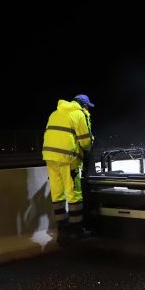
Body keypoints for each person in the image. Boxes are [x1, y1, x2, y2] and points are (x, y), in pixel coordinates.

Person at [42, 94, 94, 240]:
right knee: (74, 194)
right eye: (88, 106)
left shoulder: (55, 113)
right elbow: (85, 142)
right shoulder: (78, 114)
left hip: (50, 157)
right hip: (67, 158)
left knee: (57, 194)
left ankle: (62, 231)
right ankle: (76, 230)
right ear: (83, 105)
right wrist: (90, 143)